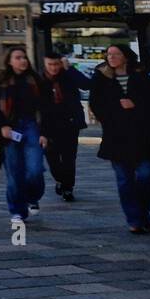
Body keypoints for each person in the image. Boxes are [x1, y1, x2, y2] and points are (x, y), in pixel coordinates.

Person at [89, 43, 150, 234]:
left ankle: (143, 212)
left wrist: (135, 105)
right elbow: (96, 104)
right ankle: (134, 219)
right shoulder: (101, 78)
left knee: (147, 175)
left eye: (116, 54)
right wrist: (115, 110)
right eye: (109, 54)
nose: (111, 57)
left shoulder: (140, 76)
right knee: (124, 180)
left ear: (126, 57)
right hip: (116, 136)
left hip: (142, 135)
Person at [0, 45, 46, 225]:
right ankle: (17, 211)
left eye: (24, 57)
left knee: (35, 170)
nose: (23, 61)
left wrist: (44, 133)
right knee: (15, 173)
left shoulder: (35, 80)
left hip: (31, 126)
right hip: (9, 129)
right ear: (9, 61)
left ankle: (32, 196)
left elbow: (45, 107)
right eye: (18, 57)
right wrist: (3, 125)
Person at [38, 52, 91, 201]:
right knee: (52, 158)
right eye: (50, 65)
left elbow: (86, 85)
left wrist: (70, 69)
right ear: (45, 64)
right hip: (48, 124)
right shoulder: (39, 80)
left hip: (69, 122)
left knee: (69, 158)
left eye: (56, 64)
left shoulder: (68, 76)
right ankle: (60, 180)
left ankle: (68, 188)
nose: (54, 68)